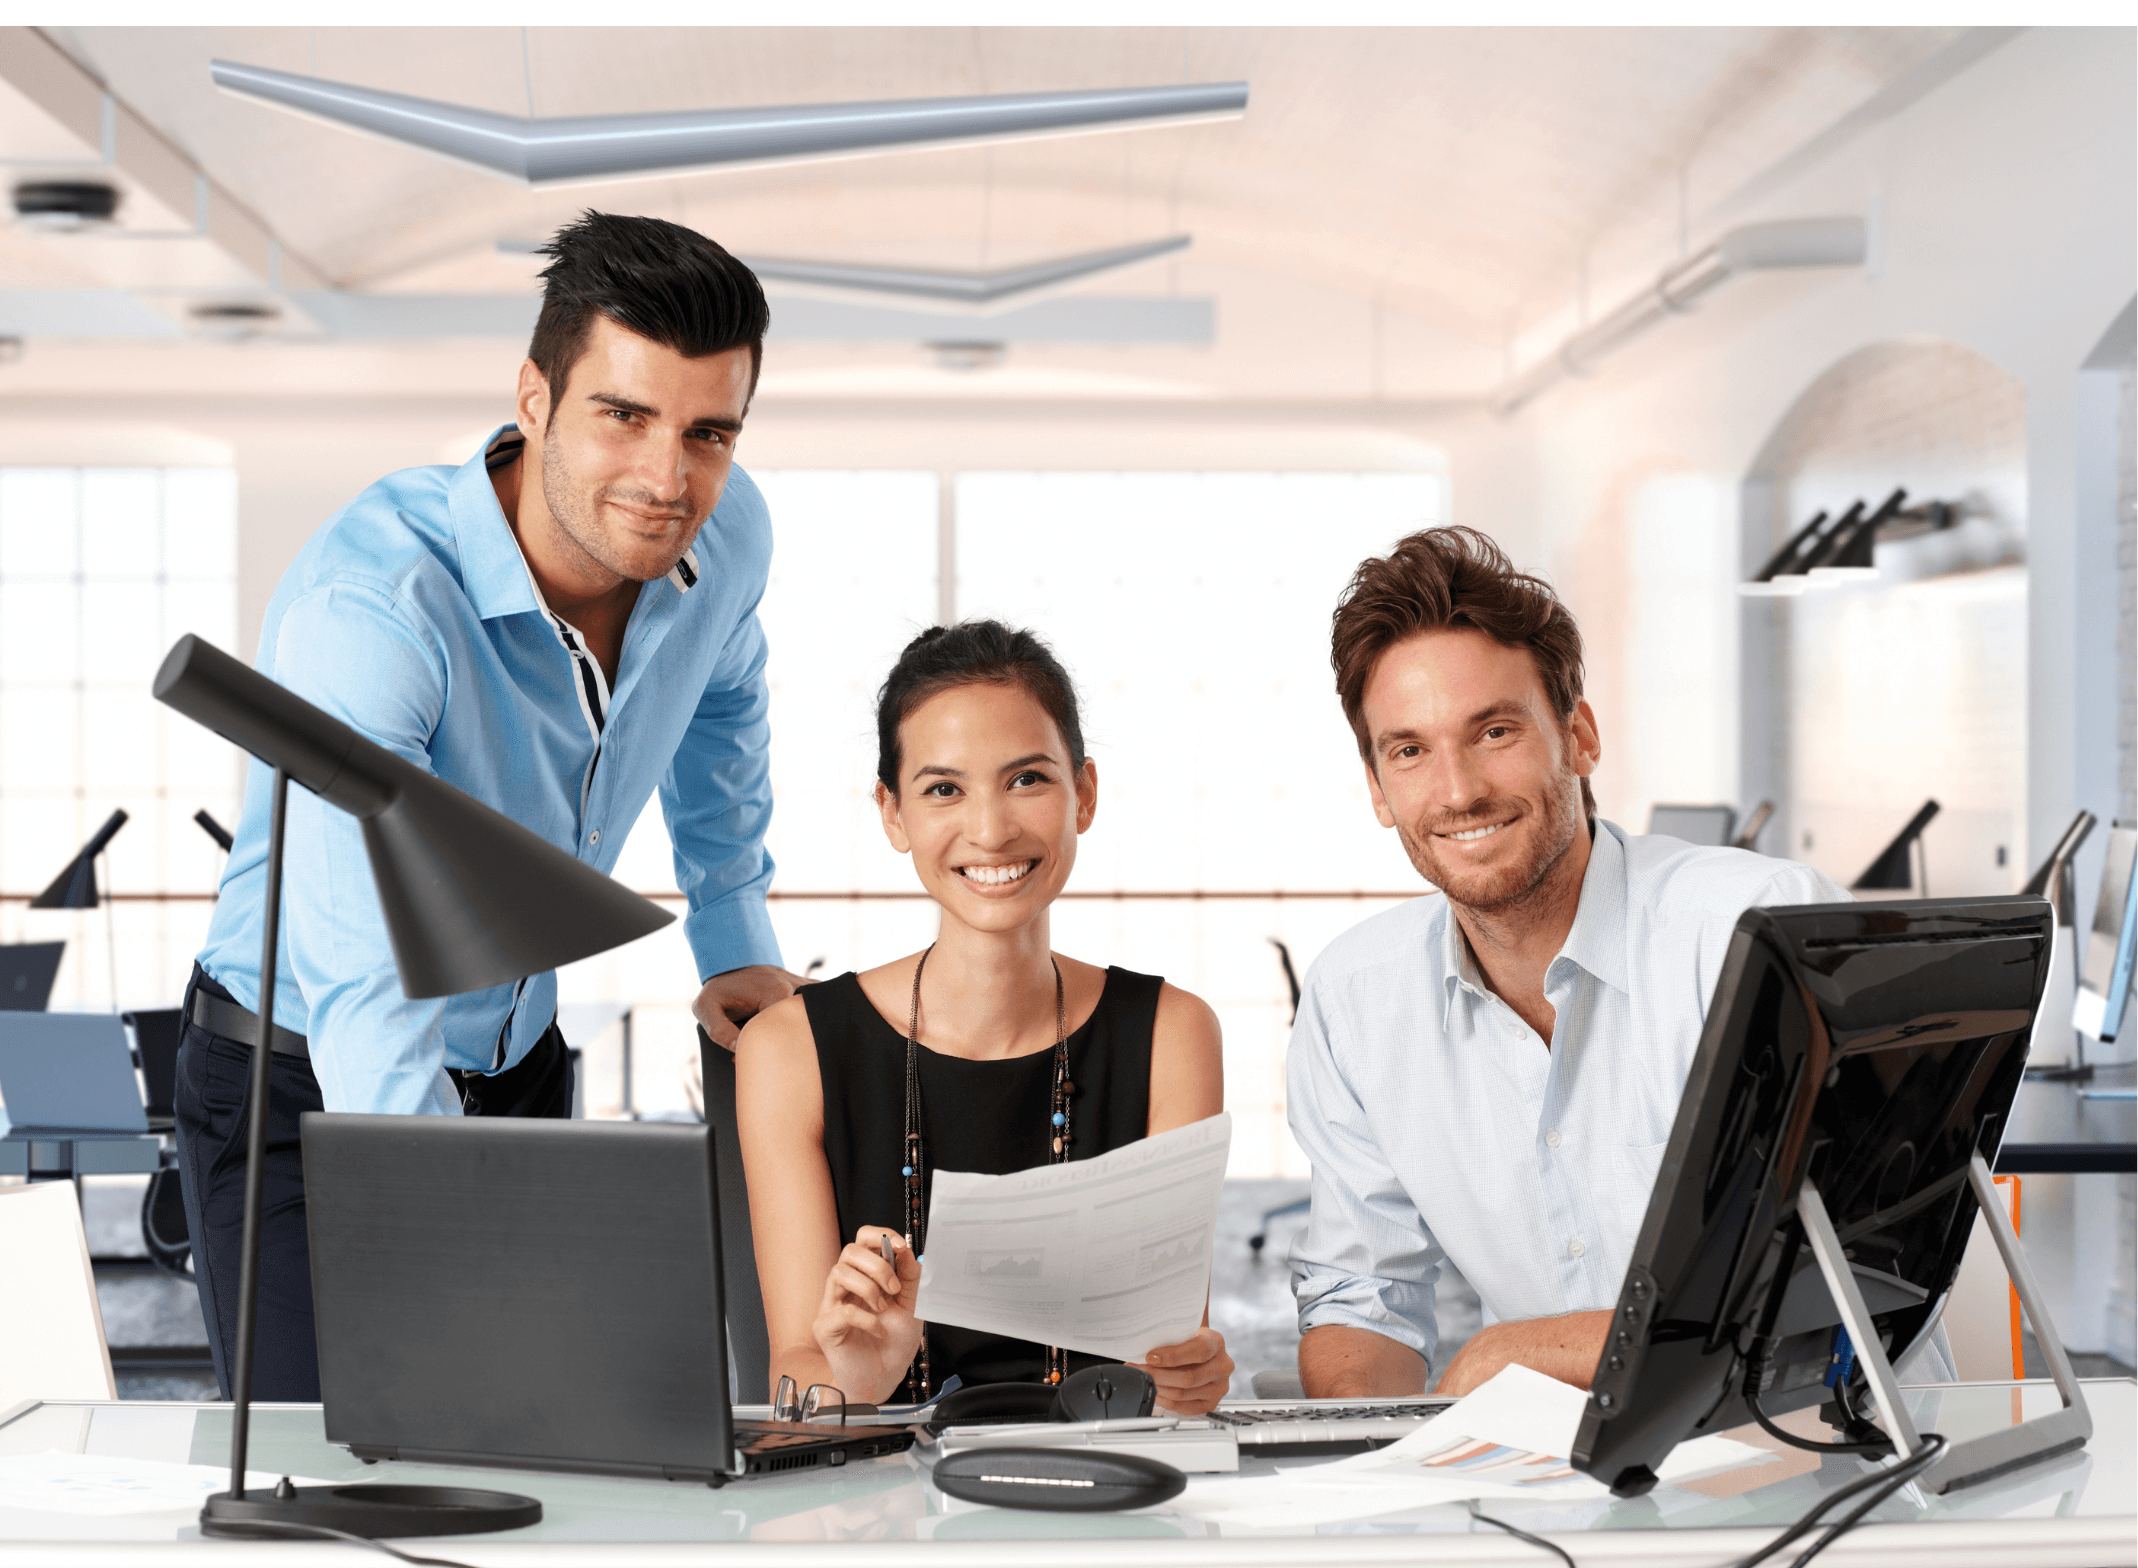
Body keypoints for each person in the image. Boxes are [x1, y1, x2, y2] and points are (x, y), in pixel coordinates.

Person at [175, 211, 806, 1401]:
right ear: (534, 396)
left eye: (708, 431)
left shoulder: (727, 536)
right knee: (348, 1453)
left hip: (516, 1057)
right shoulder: (374, 610)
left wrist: (733, 933)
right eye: (623, 415)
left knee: (519, 1433)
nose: (667, 479)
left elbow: (725, 688)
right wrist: (436, 1218)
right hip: (306, 1074)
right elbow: (362, 971)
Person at [1287, 526, 1864, 1399]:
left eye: (1494, 730)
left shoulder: (1757, 928)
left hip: (1817, 1476)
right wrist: (1387, 1465)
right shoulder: (1353, 1000)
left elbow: (1834, 1285)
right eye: (1409, 750)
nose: (1457, 790)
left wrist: (1516, 1355)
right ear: (1376, 786)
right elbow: (1364, 1299)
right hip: (1545, 1500)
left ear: (1580, 737)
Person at [736, 621, 1235, 1414]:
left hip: (1104, 1498)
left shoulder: (1174, 1033)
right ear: (892, 813)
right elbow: (792, 1381)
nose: (992, 829)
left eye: (1028, 780)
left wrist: (1190, 1375)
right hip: (883, 1507)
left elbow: (1168, 1354)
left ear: (1086, 793)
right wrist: (861, 1379)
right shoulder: (788, 1050)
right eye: (943, 789)